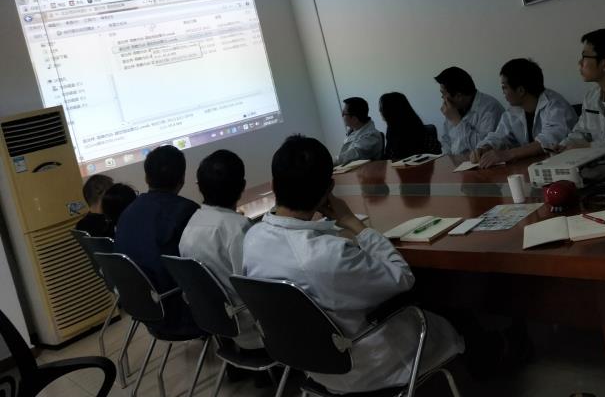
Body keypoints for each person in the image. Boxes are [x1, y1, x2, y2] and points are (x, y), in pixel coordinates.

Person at [243, 135, 464, 394]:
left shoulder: (252, 239)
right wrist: (353, 223)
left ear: (273, 185)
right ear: (329, 189)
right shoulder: (327, 255)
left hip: (309, 364)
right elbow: (402, 277)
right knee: (454, 310)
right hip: (368, 365)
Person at [179, 149, 261, 350]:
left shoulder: (190, 226)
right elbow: (258, 287)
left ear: (199, 186)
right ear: (242, 186)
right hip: (251, 329)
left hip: (216, 324)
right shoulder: (238, 229)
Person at [115, 145, 200, 336]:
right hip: (180, 313)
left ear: (146, 178)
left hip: (144, 310)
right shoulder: (186, 211)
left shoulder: (127, 213)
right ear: (182, 179)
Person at [470, 59, 577, 167]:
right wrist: (485, 147)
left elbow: (549, 141)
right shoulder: (513, 110)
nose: (503, 92)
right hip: (533, 167)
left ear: (521, 91)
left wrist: (508, 154)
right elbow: (499, 136)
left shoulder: (555, 105)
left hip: (562, 166)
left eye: (505, 87)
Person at [559, 29, 605, 150]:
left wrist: (591, 146)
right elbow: (581, 132)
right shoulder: (591, 97)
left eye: (584, 57)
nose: (580, 62)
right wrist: (563, 146)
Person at [435, 66, 504, 155]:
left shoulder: (490, 109)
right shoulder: (454, 108)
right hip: (457, 162)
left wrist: (457, 122)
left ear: (459, 96)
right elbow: (446, 142)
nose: (442, 98)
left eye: (443, 93)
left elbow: (483, 148)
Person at [379, 92, 440, 160]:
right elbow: (388, 155)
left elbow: (396, 156)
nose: (380, 111)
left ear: (391, 111)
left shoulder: (410, 130)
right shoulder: (391, 129)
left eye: (382, 108)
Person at [336, 97, 384, 165]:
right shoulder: (353, 131)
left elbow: (350, 156)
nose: (342, 115)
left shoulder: (371, 136)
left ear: (355, 119)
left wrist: (328, 161)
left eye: (344, 113)